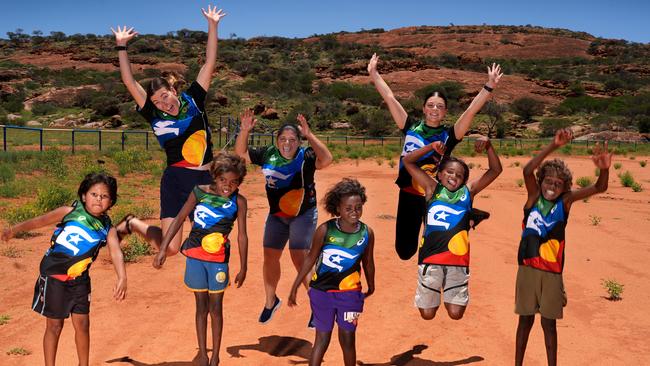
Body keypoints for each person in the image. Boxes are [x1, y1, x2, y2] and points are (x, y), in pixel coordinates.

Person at [111, 5, 226, 256]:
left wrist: (213, 25)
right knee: (171, 247)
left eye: (165, 96)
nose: (164, 104)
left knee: (210, 238)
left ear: (173, 90)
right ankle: (132, 224)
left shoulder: (193, 99)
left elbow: (209, 62)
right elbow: (129, 82)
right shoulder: (153, 113)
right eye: (158, 102)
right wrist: (122, 46)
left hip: (205, 180)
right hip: (175, 180)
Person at [368, 53, 503, 260]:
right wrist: (374, 74)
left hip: (436, 196)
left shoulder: (449, 135)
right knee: (404, 251)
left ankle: (464, 216)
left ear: (445, 111)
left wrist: (489, 86)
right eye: (430, 105)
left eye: (440, 106)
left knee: (436, 243)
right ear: (423, 108)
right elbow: (390, 98)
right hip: (409, 193)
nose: (434, 109)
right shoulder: (410, 127)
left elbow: (470, 111)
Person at [1, 173, 127, 366]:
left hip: (80, 280)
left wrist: (122, 277)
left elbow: (116, 252)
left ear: (111, 202)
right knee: (54, 325)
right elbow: (39, 221)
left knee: (83, 324)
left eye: (104, 196)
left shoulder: (107, 228)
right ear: (84, 196)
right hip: (54, 276)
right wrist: (14, 230)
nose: (98, 199)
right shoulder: (70, 211)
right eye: (94, 194)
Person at [515, 129, 612, 366]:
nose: (552, 186)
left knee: (549, 324)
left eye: (558, 184)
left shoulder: (565, 203)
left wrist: (604, 169)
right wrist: (552, 145)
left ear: (565, 188)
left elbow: (599, 188)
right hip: (527, 270)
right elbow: (527, 170)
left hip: (552, 273)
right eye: (548, 180)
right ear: (541, 182)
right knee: (525, 321)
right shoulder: (533, 198)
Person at [235, 110, 333, 323]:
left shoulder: (306, 156)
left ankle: (319, 307)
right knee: (270, 256)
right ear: (277, 141)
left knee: (299, 257)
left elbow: (326, 159)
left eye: (292, 140)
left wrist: (310, 134)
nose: (286, 143)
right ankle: (271, 301)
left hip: (303, 214)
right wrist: (244, 131)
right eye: (282, 139)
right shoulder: (267, 153)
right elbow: (240, 156)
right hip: (277, 215)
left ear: (299, 141)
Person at [153, 152, 248, 366]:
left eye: (234, 182)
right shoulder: (199, 193)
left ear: (239, 182)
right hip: (195, 257)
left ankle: (215, 357)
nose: (227, 186)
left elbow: (242, 235)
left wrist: (244, 267)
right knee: (200, 308)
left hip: (218, 261)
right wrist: (162, 249)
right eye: (223, 180)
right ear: (214, 176)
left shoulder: (239, 201)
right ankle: (204, 354)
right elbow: (178, 219)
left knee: (216, 308)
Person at [403, 137, 502, 321]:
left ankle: (472, 216)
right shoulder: (432, 188)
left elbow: (496, 170)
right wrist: (431, 147)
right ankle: (472, 217)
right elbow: (408, 161)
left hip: (458, 260)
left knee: (456, 314)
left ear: (464, 180)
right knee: (427, 314)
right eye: (449, 172)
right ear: (439, 174)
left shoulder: (468, 192)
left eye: (459, 175)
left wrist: (489, 146)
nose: (453, 177)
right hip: (431, 259)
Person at [288, 178, 375, 366]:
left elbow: (368, 262)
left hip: (350, 295)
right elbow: (310, 259)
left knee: (348, 339)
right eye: (348, 208)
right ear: (338, 209)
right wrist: (296, 285)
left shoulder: (367, 233)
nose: (354, 212)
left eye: (358, 207)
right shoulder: (325, 230)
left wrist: (372, 285)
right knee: (322, 339)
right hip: (321, 294)